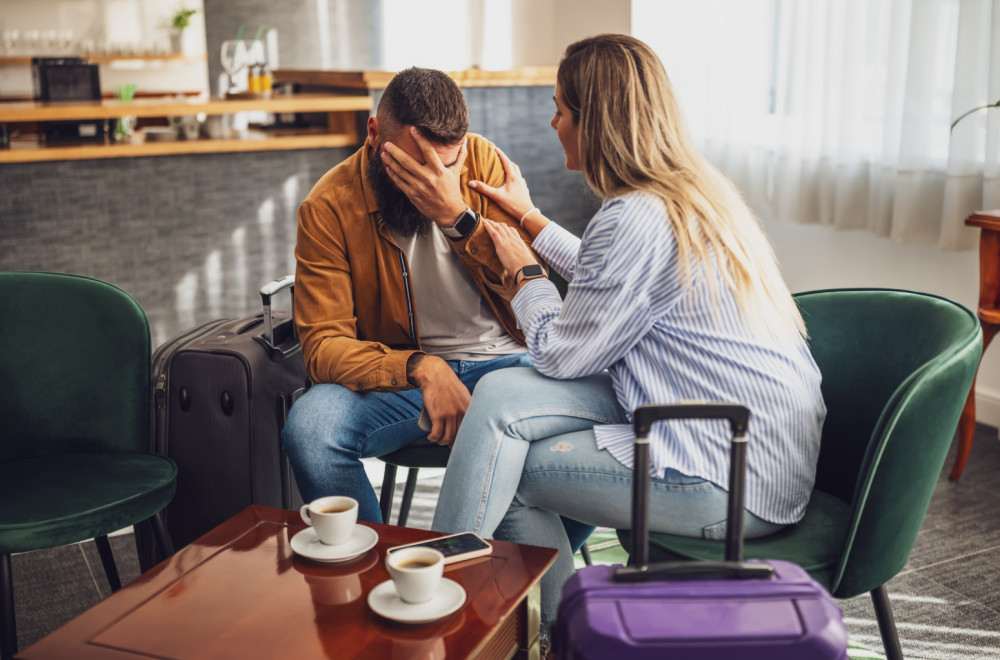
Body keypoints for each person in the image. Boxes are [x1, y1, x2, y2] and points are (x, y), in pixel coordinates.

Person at [414, 35, 826, 636]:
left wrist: (524, 270)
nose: (552, 123)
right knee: (500, 399)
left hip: (728, 475)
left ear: (595, 121)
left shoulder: (635, 216)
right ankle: (504, 610)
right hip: (753, 442)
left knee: (506, 470)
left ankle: (529, 629)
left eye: (559, 109)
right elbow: (612, 279)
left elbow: (558, 351)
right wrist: (529, 219)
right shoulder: (687, 193)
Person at [282, 67, 541, 523]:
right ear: (374, 133)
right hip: (405, 380)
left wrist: (454, 214)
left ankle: (519, 577)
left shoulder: (484, 163)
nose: (433, 178)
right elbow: (323, 346)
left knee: (601, 426)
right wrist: (420, 367)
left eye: (446, 164)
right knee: (311, 429)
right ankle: (378, 575)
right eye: (414, 165)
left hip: (507, 363)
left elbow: (525, 286)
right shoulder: (328, 206)